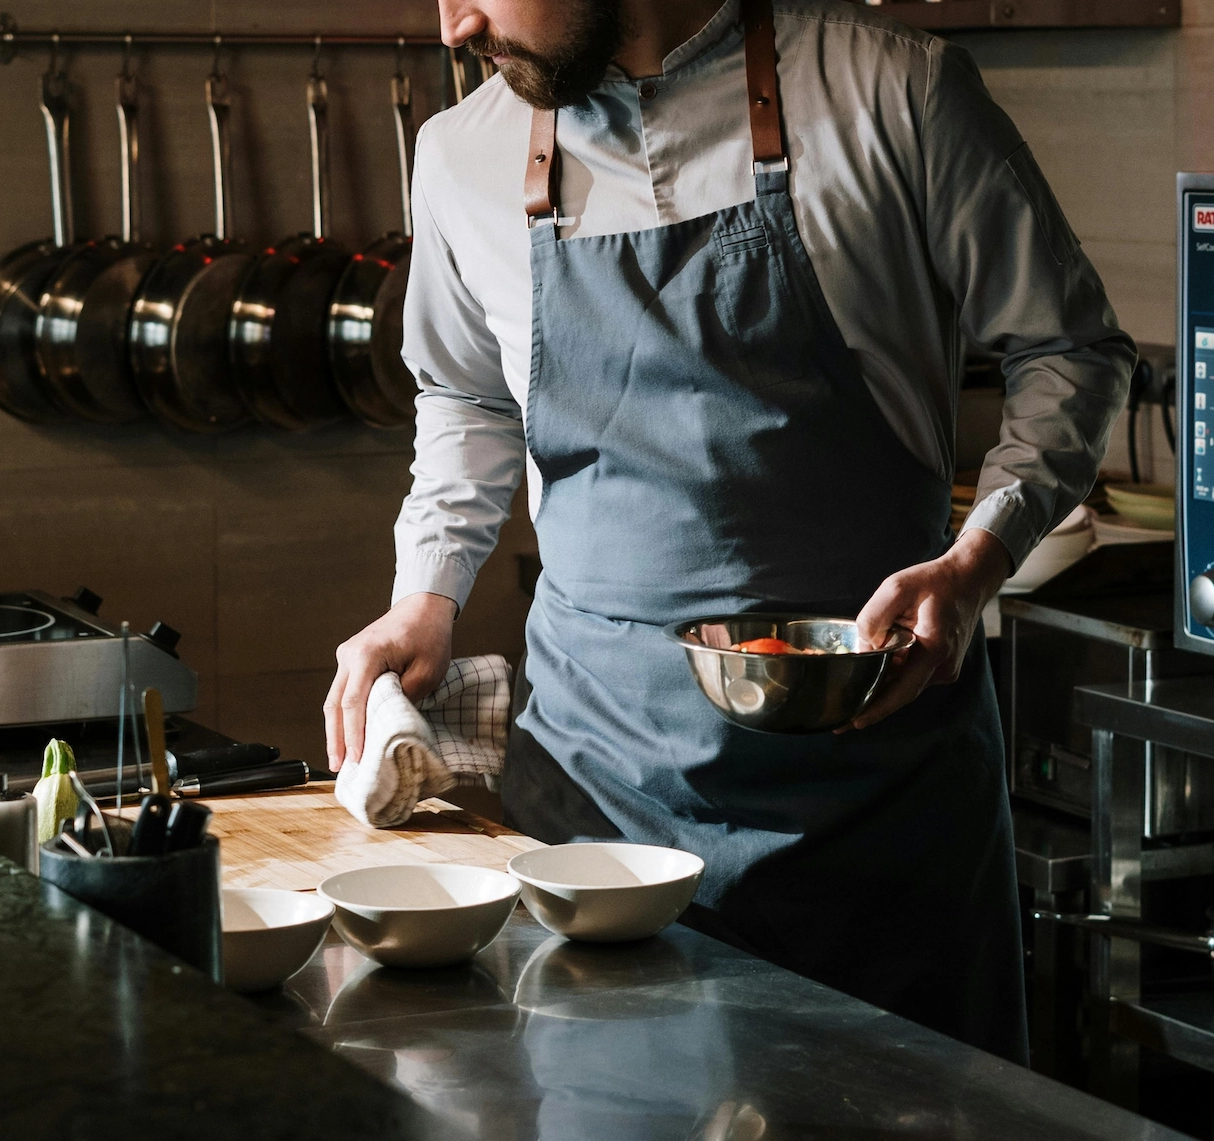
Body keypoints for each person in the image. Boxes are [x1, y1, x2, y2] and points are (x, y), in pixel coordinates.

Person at [326, 0, 1134, 1062]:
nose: (452, 24)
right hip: (592, 802)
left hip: (876, 805)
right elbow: (466, 397)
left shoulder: (895, 93)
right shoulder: (459, 155)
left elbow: (1068, 348)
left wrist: (977, 557)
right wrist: (422, 594)